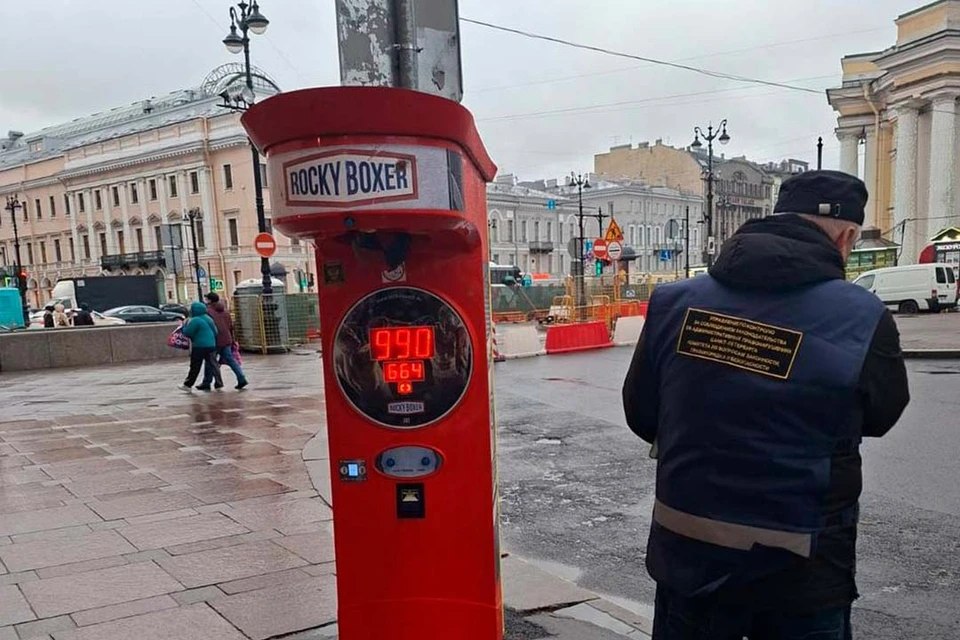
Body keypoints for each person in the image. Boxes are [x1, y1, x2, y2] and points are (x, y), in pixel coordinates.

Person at [622, 171, 910, 640]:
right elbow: (881, 414)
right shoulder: (862, 316)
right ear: (847, 237)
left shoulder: (674, 301)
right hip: (801, 572)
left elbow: (641, 413)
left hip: (688, 562)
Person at [200, 292, 248, 391]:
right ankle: (241, 378)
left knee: (210, 361)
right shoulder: (225, 311)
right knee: (231, 360)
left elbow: (208, 327)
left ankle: (207, 382)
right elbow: (231, 326)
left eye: (207, 299)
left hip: (215, 340)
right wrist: (232, 339)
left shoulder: (208, 312)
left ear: (210, 300)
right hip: (227, 339)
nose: (206, 301)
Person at [178, 301, 221, 393]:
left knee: (195, 366)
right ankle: (219, 383)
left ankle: (188, 384)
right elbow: (216, 332)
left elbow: (187, 333)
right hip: (211, 345)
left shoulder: (195, 320)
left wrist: (184, 326)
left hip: (199, 346)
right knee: (213, 365)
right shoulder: (209, 319)